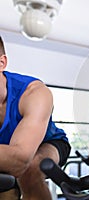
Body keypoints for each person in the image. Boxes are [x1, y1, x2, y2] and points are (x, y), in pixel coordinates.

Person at [0, 36, 71, 200]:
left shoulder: (33, 93)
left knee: (31, 168)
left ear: (1, 63)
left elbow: (19, 160)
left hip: (48, 143)